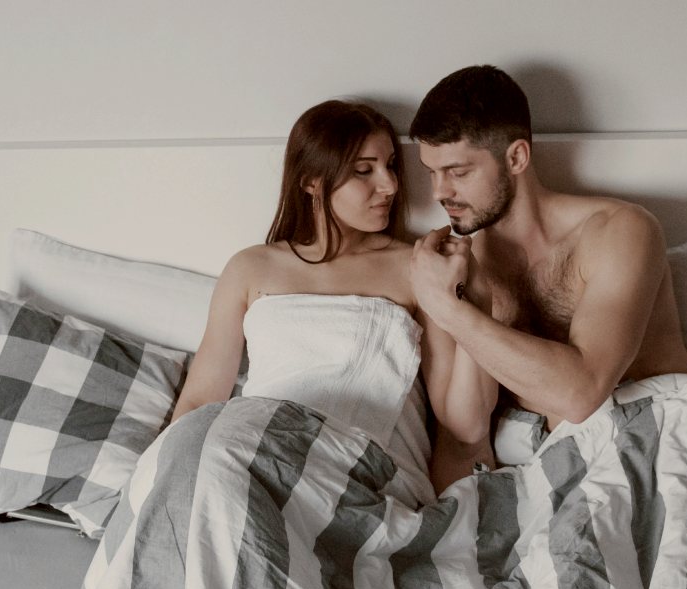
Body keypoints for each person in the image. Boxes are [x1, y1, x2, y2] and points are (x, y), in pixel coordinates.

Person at [170, 99, 493, 502]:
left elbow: (459, 423)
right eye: (364, 170)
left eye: (391, 165)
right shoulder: (250, 269)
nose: (390, 184)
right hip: (255, 463)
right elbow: (201, 401)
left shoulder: (417, 267)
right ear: (311, 181)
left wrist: (469, 297)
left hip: (364, 478)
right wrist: (161, 483)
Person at [409, 65, 687, 487]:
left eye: (458, 172)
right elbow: (463, 440)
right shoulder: (450, 268)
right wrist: (459, 298)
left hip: (664, 445)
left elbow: (581, 393)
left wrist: (450, 311)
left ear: (516, 157)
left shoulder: (619, 230)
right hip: (555, 473)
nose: (439, 192)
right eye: (431, 172)